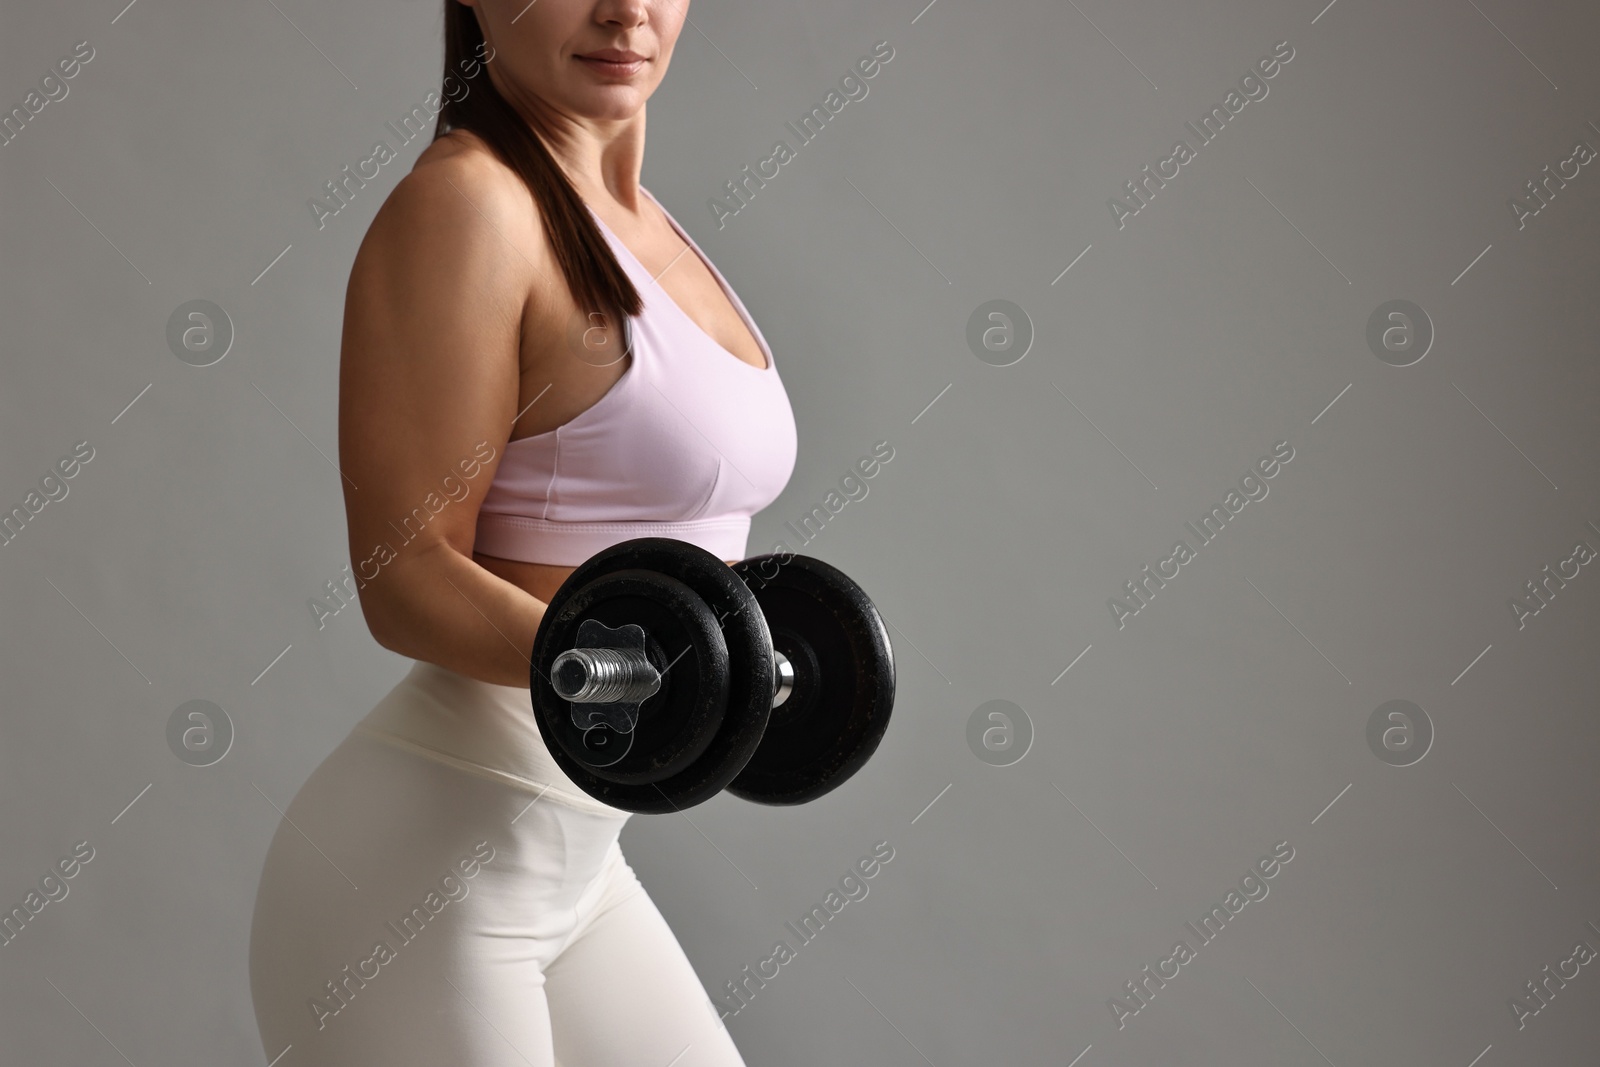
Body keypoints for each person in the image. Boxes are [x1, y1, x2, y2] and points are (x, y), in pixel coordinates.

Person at [248, 1, 797, 1063]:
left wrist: (742, 660)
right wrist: (660, 677)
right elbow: (402, 574)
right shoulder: (468, 207)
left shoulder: (642, 221)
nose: (624, 10)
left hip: (578, 865)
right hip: (417, 873)